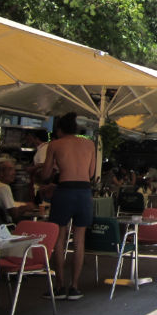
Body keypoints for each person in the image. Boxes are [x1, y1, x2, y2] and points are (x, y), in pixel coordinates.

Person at [41, 112, 96, 301]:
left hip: (64, 190)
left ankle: (59, 285)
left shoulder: (55, 145)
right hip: (84, 192)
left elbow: (45, 174)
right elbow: (91, 173)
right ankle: (75, 286)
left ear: (59, 129)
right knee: (79, 240)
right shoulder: (89, 144)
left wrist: (54, 170)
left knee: (59, 239)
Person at [0, 156, 37, 222]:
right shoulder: (4, 187)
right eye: (10, 169)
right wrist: (27, 207)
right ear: (1, 173)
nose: (14, 173)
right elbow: (14, 214)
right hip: (2, 225)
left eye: (14, 170)